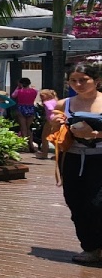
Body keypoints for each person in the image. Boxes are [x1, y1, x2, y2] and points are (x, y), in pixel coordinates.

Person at [48, 62, 102, 264]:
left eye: (83, 80)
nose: (78, 84)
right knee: (76, 203)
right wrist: (56, 125)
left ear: (97, 81)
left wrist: (95, 134)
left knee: (98, 204)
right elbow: (53, 127)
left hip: (100, 157)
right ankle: (90, 248)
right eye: (73, 80)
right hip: (72, 158)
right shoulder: (64, 104)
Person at [11, 77, 39, 152]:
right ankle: (31, 145)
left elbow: (13, 95)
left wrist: (18, 87)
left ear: (20, 83)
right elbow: (36, 90)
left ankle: (25, 145)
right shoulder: (35, 91)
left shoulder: (18, 91)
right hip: (30, 108)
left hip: (21, 108)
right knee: (28, 127)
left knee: (23, 128)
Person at [35, 88, 60, 159]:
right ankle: (58, 154)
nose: (41, 97)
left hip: (50, 121)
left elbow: (50, 109)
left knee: (45, 137)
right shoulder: (55, 101)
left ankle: (44, 154)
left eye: (42, 96)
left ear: (48, 96)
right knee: (55, 137)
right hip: (56, 120)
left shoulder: (46, 103)